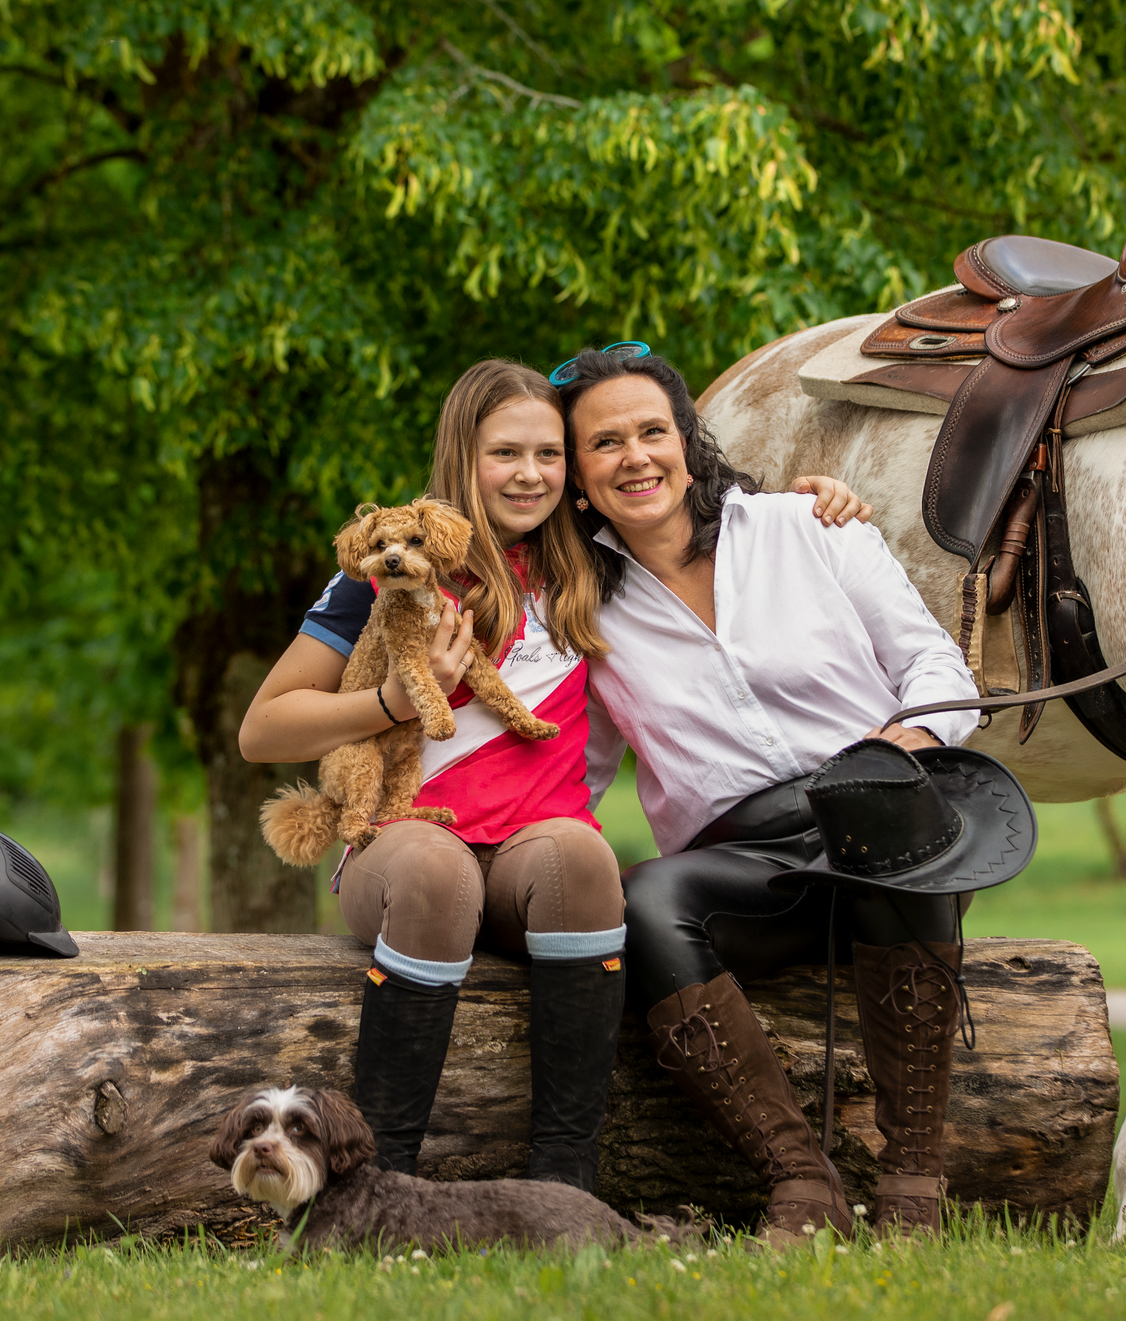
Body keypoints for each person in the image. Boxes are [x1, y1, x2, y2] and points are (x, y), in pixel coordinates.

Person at [238, 357, 872, 1191]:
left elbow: (700, 524)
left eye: (550, 453)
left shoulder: (594, 561)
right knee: (437, 870)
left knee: (583, 856)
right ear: (463, 456)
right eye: (506, 453)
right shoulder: (394, 566)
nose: (530, 474)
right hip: (406, 847)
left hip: (533, 858)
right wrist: (392, 700)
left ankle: (562, 1189)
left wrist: (811, 502)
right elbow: (262, 727)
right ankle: (374, 1190)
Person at [555, 344, 1000, 1244]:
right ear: (578, 478)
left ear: (687, 440)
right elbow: (573, 771)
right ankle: (800, 1180)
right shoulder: (581, 610)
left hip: (873, 811)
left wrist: (910, 739)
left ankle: (914, 1180)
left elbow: (936, 667)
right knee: (642, 897)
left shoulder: (809, 528)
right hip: (745, 868)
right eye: (605, 443)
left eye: (653, 430)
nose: (636, 456)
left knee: (893, 830)